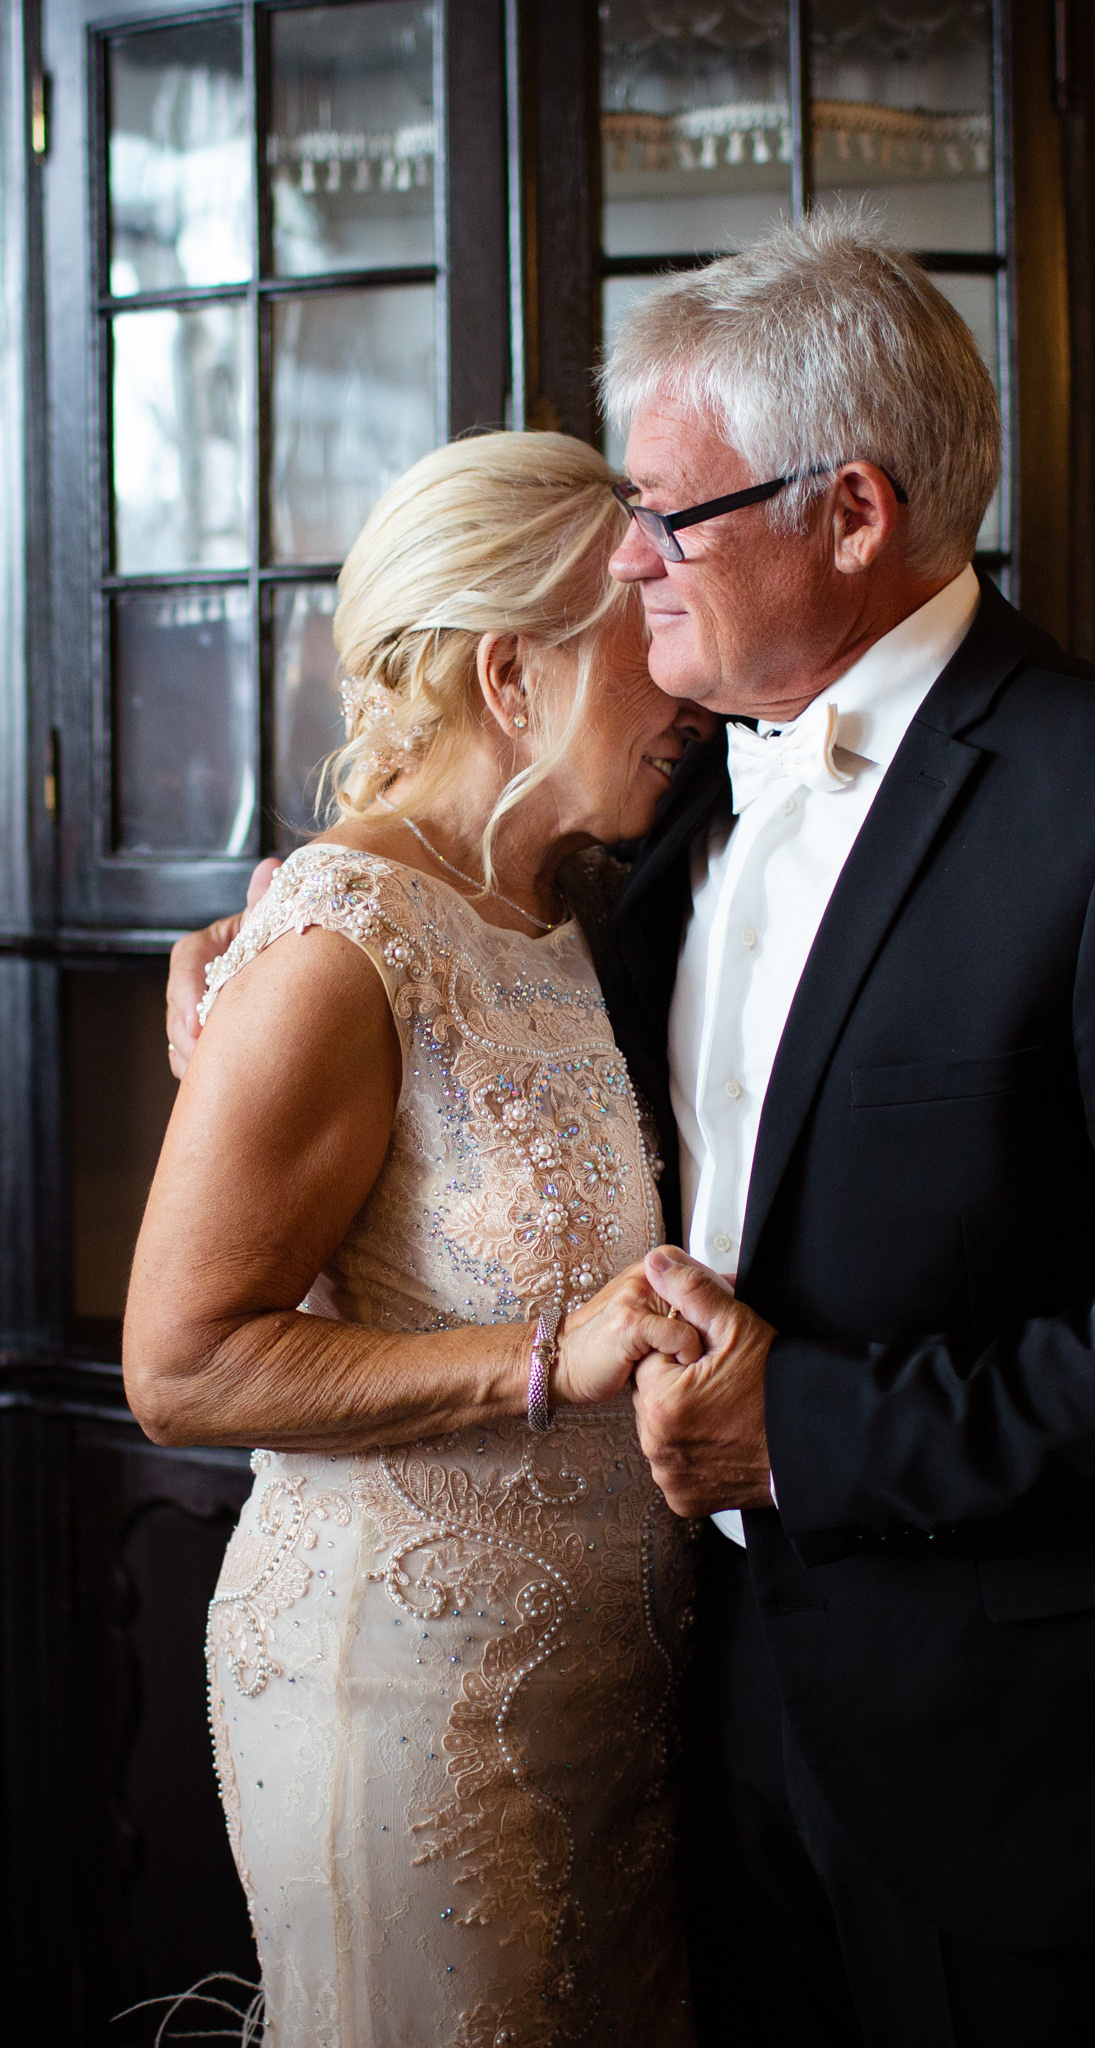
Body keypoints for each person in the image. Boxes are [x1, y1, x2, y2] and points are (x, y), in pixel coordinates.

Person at [169, 216, 1095, 2048]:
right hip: (700, 1730)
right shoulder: (656, 818)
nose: (626, 559)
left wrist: (803, 1429)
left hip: (1035, 1768)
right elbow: (439, 969)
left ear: (853, 513)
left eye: (667, 515)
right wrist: (258, 965)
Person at [129, 431, 715, 2046]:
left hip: (615, 1695)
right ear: (512, 674)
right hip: (404, 1692)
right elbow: (181, 1369)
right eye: (646, 629)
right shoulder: (333, 947)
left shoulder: (570, 907)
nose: (686, 681)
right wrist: (543, 1358)